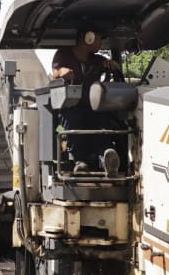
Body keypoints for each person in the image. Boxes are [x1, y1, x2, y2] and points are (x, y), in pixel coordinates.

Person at [50, 27, 123, 175]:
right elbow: (55, 74)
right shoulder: (63, 55)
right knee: (73, 118)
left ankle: (107, 158)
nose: (101, 43)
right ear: (88, 38)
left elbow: (113, 65)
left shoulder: (96, 60)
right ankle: (80, 161)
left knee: (102, 119)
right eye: (98, 38)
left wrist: (112, 65)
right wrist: (61, 72)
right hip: (70, 106)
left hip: (92, 106)